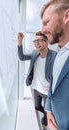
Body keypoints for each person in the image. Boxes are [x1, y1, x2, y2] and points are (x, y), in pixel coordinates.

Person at [17, 31, 56, 130]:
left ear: (46, 42)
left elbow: (58, 73)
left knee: (48, 112)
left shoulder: (54, 56)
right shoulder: (35, 53)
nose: (36, 43)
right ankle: (45, 116)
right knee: (37, 107)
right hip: (36, 89)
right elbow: (21, 57)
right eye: (35, 41)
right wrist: (20, 42)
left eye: (39, 40)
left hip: (48, 91)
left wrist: (53, 85)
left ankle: (44, 124)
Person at [41, 0, 69, 129]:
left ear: (66, 16)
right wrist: (48, 110)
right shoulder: (58, 52)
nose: (43, 30)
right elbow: (53, 84)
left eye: (46, 22)